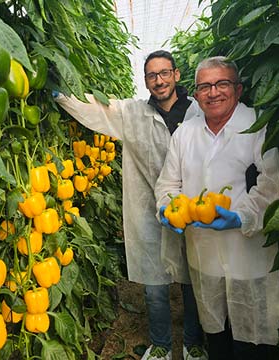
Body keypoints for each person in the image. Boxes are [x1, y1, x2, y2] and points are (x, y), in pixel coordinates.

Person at [54, 50, 207, 360]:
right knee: (154, 286)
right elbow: (97, 108)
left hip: (193, 209)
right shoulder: (133, 113)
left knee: (194, 281)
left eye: (165, 73)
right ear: (146, 81)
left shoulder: (199, 112)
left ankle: (194, 342)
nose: (159, 80)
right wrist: (61, 94)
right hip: (149, 210)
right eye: (152, 75)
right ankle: (161, 344)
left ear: (176, 75)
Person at [155, 56, 279, 360]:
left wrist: (242, 216)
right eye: (204, 87)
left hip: (250, 254)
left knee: (256, 341)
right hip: (204, 255)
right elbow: (167, 185)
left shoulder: (257, 125)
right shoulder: (185, 134)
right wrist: (169, 209)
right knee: (218, 338)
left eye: (222, 84)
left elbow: (272, 185)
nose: (213, 93)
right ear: (196, 95)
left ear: (237, 89)